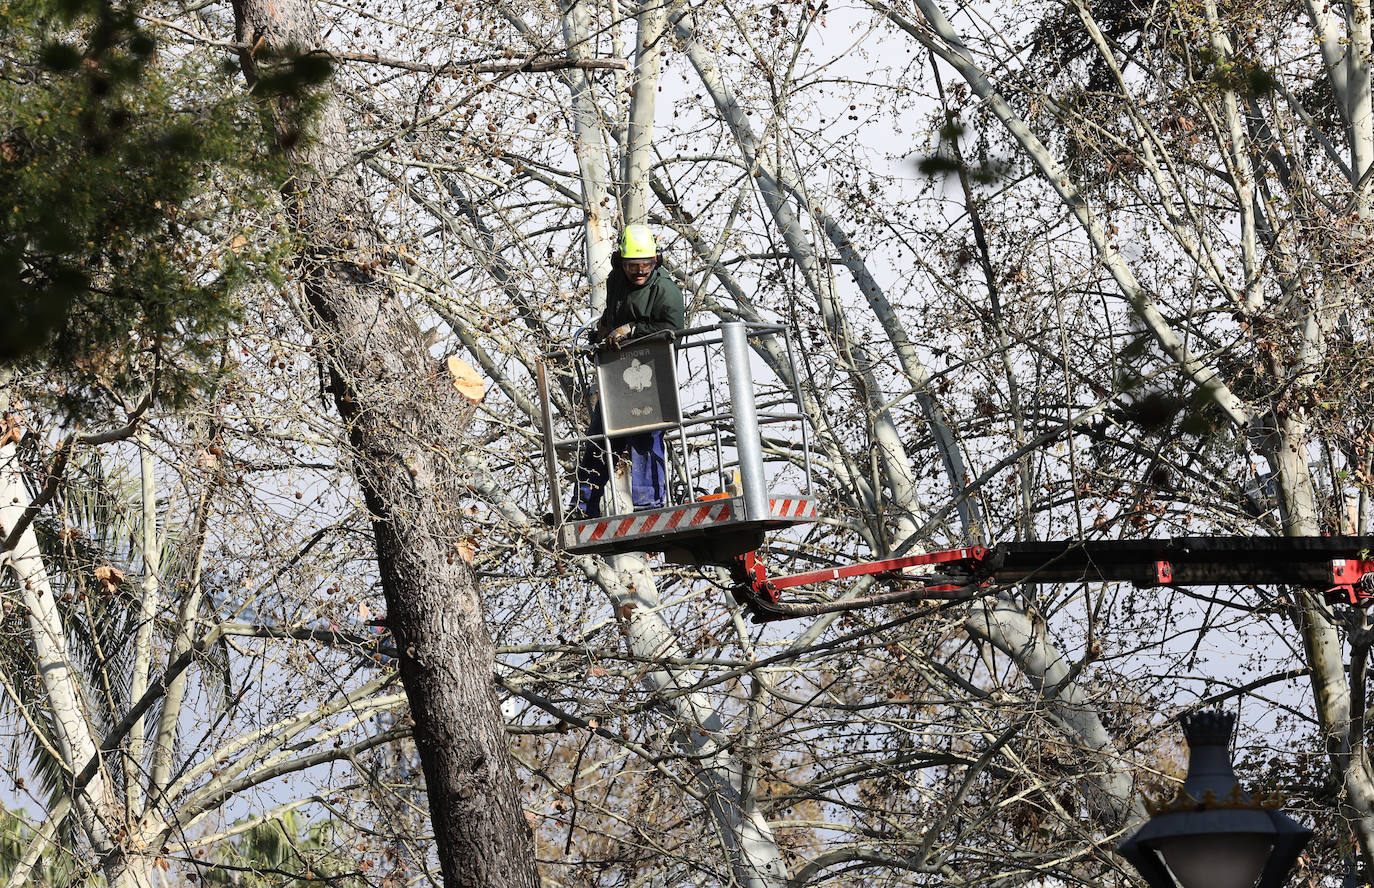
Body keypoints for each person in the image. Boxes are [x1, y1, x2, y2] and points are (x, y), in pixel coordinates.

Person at [570, 224, 685, 519]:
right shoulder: (616, 281)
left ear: (655, 261)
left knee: (645, 440)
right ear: (622, 262)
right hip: (617, 376)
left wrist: (632, 328)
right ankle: (582, 508)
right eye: (633, 265)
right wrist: (604, 331)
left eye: (646, 264)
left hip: (652, 375)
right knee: (600, 439)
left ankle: (649, 508)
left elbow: (673, 329)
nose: (639, 271)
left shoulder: (665, 290)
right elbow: (612, 315)